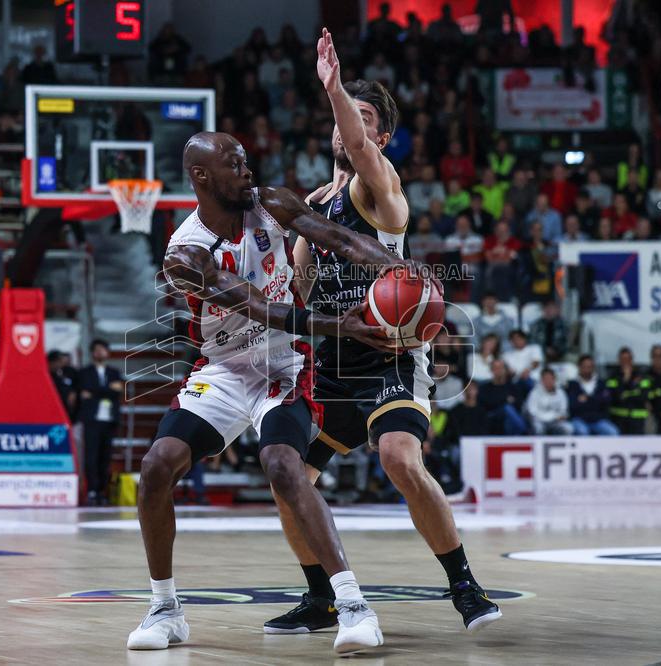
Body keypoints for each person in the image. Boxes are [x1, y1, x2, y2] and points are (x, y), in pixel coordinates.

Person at [265, 29, 500, 640]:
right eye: (345, 116)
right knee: (288, 477)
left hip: (391, 353)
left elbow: (360, 150)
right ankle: (321, 597)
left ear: (382, 138)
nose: (349, 127)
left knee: (398, 456)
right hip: (333, 359)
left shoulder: (380, 186)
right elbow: (299, 289)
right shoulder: (313, 206)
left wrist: (334, 88)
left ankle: (464, 585)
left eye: (363, 119)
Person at [130, 131, 401, 654]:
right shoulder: (185, 253)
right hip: (224, 368)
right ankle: (165, 609)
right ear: (202, 177)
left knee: (282, 464)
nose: (247, 171)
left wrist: (399, 268)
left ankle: (353, 606)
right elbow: (259, 307)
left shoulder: (270, 203)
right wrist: (340, 326)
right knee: (156, 467)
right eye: (234, 165)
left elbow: (339, 239)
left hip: (284, 361)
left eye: (246, 161)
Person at [78, 339, 122, 507]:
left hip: (109, 419)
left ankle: (102, 491)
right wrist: (109, 389)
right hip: (92, 420)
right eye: (97, 349)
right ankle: (92, 490)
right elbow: (85, 391)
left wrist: (95, 392)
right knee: (91, 456)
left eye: (103, 349)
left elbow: (117, 391)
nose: (100, 352)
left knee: (105, 456)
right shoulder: (85, 372)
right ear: (92, 353)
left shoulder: (114, 372)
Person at [567, 355, 619, 436]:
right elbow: (573, 405)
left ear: (593, 367)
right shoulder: (572, 384)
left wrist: (587, 399)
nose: (587, 369)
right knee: (582, 431)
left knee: (612, 432)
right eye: (584, 367)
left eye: (589, 367)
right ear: (579, 367)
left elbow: (606, 402)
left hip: (598, 420)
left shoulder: (601, 383)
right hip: (579, 419)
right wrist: (595, 399)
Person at [605, 347, 649, 435]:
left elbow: (643, 397)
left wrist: (625, 394)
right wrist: (626, 380)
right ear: (619, 360)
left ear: (632, 360)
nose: (626, 362)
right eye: (623, 359)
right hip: (618, 419)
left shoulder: (641, 376)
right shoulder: (613, 376)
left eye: (628, 359)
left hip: (637, 419)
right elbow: (616, 397)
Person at [479, 359, 527, 435]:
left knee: (509, 412)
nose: (499, 371)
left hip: (510, 420)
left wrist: (499, 401)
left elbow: (519, 404)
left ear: (505, 370)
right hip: (493, 418)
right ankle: (523, 430)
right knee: (506, 408)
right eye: (496, 368)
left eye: (501, 368)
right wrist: (505, 400)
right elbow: (486, 404)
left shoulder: (512, 387)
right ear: (491, 370)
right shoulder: (485, 388)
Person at [525, 368, 573, 435]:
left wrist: (560, 416)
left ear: (554, 379)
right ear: (541, 380)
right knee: (538, 428)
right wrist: (551, 417)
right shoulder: (534, 392)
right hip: (540, 421)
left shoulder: (561, 393)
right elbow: (532, 411)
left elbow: (564, 411)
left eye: (550, 378)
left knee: (568, 428)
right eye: (546, 379)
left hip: (556, 422)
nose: (548, 381)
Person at [48, 350, 77, 419]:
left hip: (67, 409)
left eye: (61, 361)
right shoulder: (47, 375)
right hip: (53, 407)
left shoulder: (68, 371)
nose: (60, 363)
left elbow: (75, 384)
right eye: (58, 361)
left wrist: (73, 392)